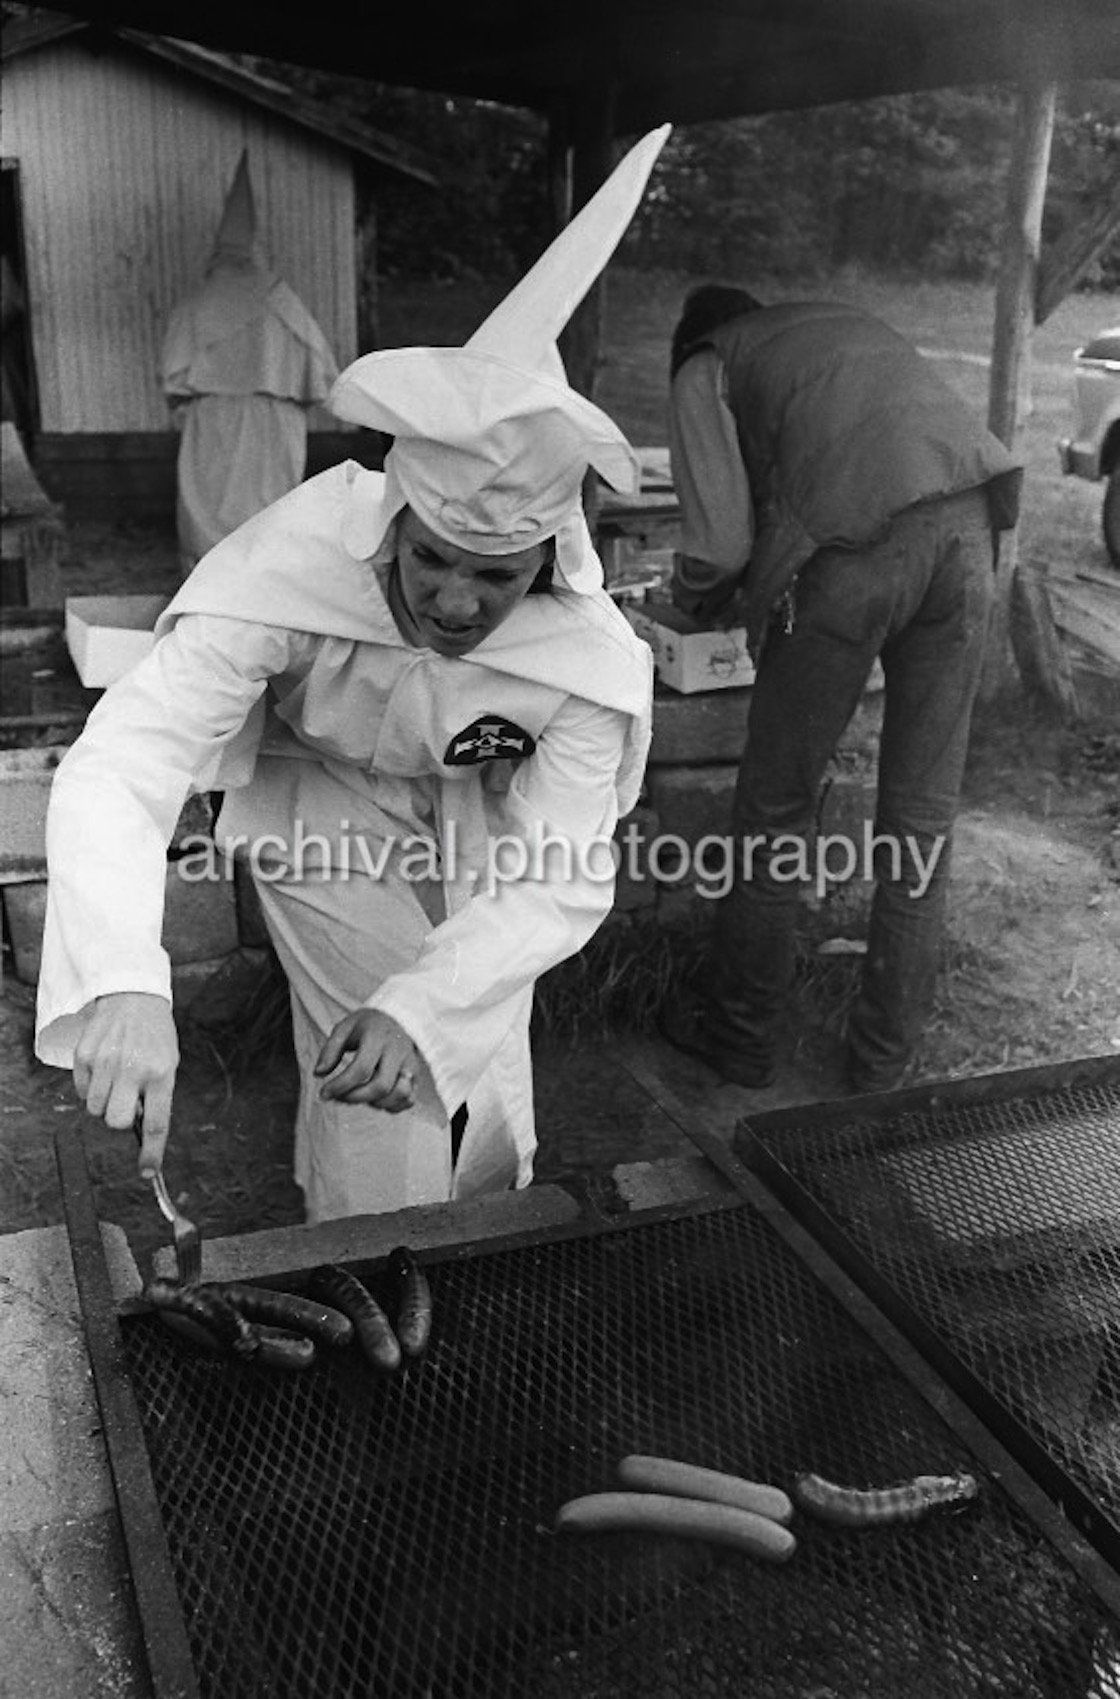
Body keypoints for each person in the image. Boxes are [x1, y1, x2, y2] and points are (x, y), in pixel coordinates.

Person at [36, 125, 670, 1222]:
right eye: (431, 559)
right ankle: (371, 1254)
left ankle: (483, 1226)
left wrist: (432, 1010)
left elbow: (560, 871)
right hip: (315, 792)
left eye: (497, 577)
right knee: (366, 1038)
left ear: (550, 561)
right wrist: (125, 975)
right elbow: (125, 762)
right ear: (393, 522)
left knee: (467, 1023)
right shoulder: (292, 565)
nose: (455, 602)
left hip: (482, 811)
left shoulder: (585, 660)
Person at [660, 284, 1023, 1095]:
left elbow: (717, 548)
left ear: (695, 340)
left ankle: (739, 1037)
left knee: (775, 812)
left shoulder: (705, 365)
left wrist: (685, 603)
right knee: (922, 822)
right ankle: (882, 1065)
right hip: (968, 534)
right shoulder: (830, 328)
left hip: (854, 552)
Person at [161, 151, 339, 578]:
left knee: (211, 509)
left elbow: (173, 376)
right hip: (272, 420)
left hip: (215, 419)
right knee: (266, 506)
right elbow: (321, 373)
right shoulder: (282, 301)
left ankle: (214, 583)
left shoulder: (199, 303)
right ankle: (261, 584)